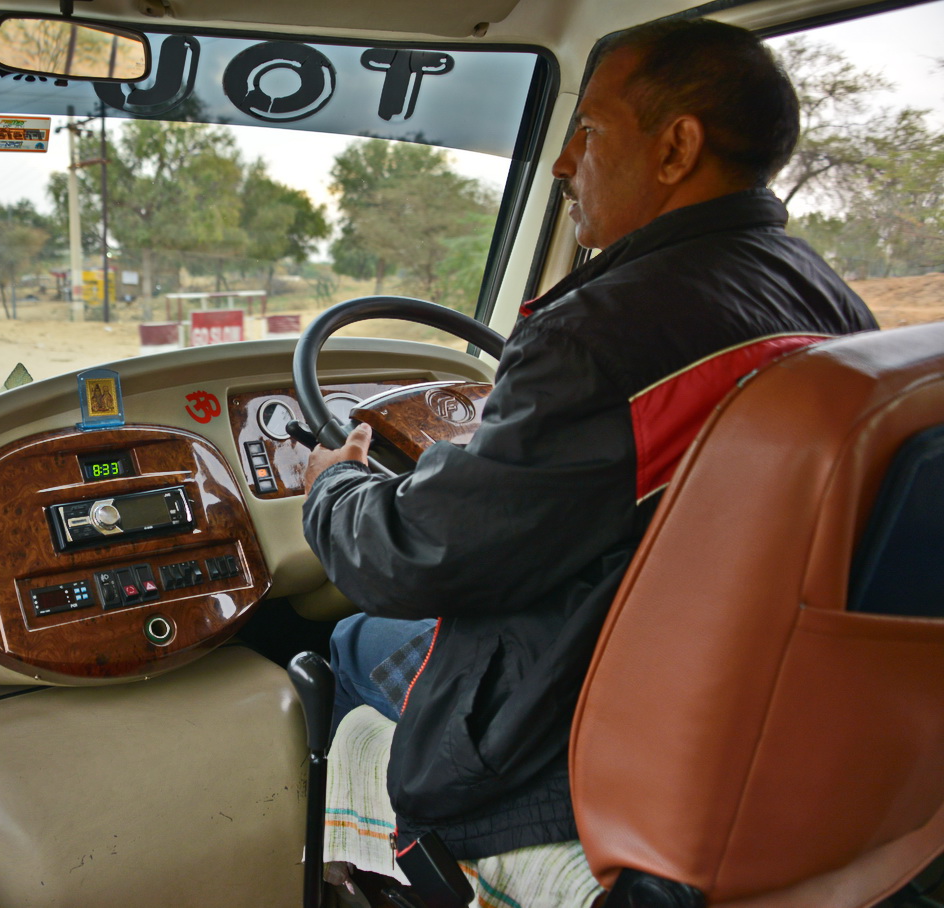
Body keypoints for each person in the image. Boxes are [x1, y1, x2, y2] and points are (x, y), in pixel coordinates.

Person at [301, 17, 879, 873]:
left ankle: (374, 870)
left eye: (590, 129)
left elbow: (421, 556)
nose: (565, 161)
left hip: (572, 739)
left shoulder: (601, 339)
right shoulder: (826, 297)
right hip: (753, 704)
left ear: (676, 147)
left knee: (347, 645)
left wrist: (333, 491)